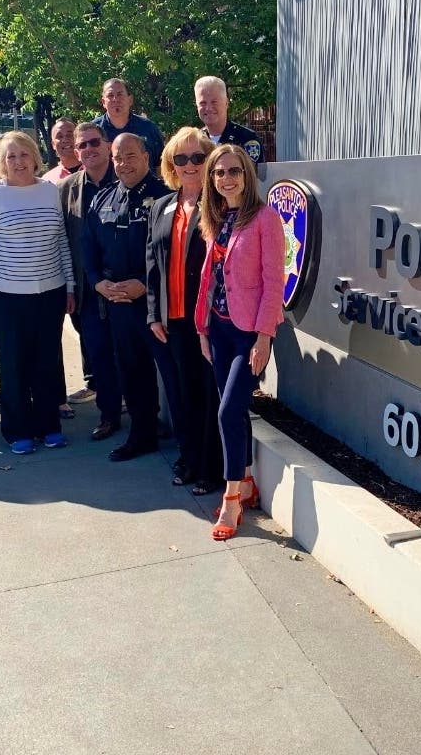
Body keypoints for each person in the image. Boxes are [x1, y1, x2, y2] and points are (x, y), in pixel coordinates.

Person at [0, 131, 75, 455]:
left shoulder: (50, 191)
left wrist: (70, 285)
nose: (18, 162)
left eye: (24, 154)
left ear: (35, 157)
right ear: (2, 162)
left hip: (50, 293)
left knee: (46, 363)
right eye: (10, 156)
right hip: (6, 298)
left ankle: (49, 426)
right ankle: (18, 430)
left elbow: (61, 241)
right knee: (13, 366)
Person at [196, 145, 285, 540]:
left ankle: (231, 498)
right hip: (218, 328)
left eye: (233, 171)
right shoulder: (217, 217)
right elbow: (211, 278)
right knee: (233, 410)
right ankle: (246, 481)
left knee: (228, 411)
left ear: (247, 174)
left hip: (249, 332)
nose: (226, 178)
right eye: (219, 173)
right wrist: (202, 328)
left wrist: (264, 338)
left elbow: (274, 283)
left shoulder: (266, 218)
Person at [82, 133, 169, 461]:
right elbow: (88, 247)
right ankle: (141, 435)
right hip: (118, 303)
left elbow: (174, 254)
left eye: (130, 156)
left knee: (173, 374)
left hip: (157, 304)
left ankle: (190, 448)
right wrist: (97, 283)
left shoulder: (166, 196)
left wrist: (145, 285)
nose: (123, 164)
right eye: (118, 158)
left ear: (146, 157)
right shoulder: (103, 199)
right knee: (132, 373)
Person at [146, 126, 223, 494]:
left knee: (208, 395)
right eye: (181, 158)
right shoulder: (161, 206)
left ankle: (210, 468)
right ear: (170, 164)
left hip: (208, 320)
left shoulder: (220, 204)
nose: (189, 164)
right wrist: (153, 313)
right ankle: (189, 458)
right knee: (182, 395)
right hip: (172, 319)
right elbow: (152, 263)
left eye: (198, 157)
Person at [57, 122, 123, 439]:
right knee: (99, 356)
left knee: (132, 354)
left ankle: (145, 415)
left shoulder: (126, 179)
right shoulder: (66, 189)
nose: (88, 149)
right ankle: (109, 416)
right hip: (87, 291)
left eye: (94, 142)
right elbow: (61, 243)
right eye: (81, 145)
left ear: (107, 145)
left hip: (125, 288)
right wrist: (69, 288)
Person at [92, 78, 165, 169]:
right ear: (103, 102)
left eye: (120, 94)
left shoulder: (148, 128)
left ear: (130, 100)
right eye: (110, 95)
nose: (115, 99)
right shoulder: (93, 131)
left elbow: (161, 166)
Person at [194, 75, 265, 164]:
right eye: (203, 103)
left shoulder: (246, 139)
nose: (208, 108)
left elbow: (254, 172)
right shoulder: (195, 141)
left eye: (214, 102)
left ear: (226, 103)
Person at [41, 117, 80, 182]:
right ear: (53, 144)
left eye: (69, 135)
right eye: (60, 136)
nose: (65, 140)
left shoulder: (94, 170)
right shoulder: (48, 181)